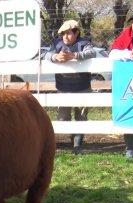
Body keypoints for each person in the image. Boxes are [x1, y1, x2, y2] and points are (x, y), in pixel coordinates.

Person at [44, 20, 96, 155]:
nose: (65, 37)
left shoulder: (84, 43)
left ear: (76, 33)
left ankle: (78, 144)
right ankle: (69, 138)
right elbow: (46, 55)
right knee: (63, 116)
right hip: (63, 87)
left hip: (82, 87)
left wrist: (75, 56)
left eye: (68, 33)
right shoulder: (57, 44)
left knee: (81, 116)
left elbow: (92, 53)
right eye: (63, 34)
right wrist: (56, 56)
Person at [109, 8, 133, 159]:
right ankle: (130, 146)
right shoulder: (127, 34)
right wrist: (129, 54)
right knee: (128, 109)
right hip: (129, 82)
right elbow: (113, 52)